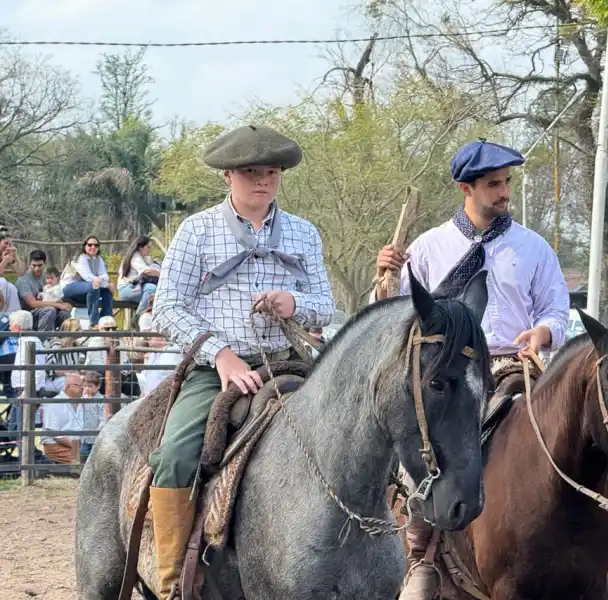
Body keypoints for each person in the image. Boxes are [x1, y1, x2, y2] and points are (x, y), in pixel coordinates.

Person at [372, 139, 570, 600]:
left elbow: (557, 310)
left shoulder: (534, 247)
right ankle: (421, 554)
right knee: (423, 440)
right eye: (493, 185)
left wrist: (542, 332)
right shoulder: (426, 248)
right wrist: (383, 279)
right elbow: (392, 315)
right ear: (466, 187)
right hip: (449, 368)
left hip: (511, 362)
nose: (504, 193)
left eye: (506, 183)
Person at [149, 124, 335, 599]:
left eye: (271, 172)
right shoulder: (196, 231)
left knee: (352, 431)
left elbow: (325, 304)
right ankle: (174, 582)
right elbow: (167, 307)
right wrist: (222, 355)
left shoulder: (303, 233)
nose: (263, 182)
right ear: (228, 177)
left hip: (288, 360)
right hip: (217, 369)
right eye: (252, 172)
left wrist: (293, 304)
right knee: (176, 456)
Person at [60, 236, 115, 326]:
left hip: (86, 290)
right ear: (84, 246)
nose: (93, 247)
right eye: (90, 245)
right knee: (94, 286)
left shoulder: (99, 259)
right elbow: (88, 277)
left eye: (96, 245)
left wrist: (103, 282)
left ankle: (106, 321)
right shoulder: (80, 258)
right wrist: (108, 285)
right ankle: (94, 322)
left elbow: (105, 275)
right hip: (69, 288)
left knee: (106, 292)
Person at [15, 250, 72, 331]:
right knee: (50, 310)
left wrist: (64, 304)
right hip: (29, 316)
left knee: (64, 313)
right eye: (34, 265)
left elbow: (54, 296)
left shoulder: (46, 278)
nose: (36, 268)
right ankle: (43, 338)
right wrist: (56, 305)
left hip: (46, 311)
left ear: (45, 264)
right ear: (29, 264)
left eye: (40, 265)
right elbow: (32, 303)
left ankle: (63, 339)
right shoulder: (23, 281)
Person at [118, 234, 161, 315]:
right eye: (148, 247)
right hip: (126, 289)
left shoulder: (142, 257)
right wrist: (161, 275)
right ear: (141, 247)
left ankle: (148, 317)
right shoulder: (135, 257)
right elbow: (146, 271)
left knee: (156, 293)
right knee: (151, 288)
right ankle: (139, 315)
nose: (149, 249)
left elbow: (152, 266)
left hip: (135, 287)